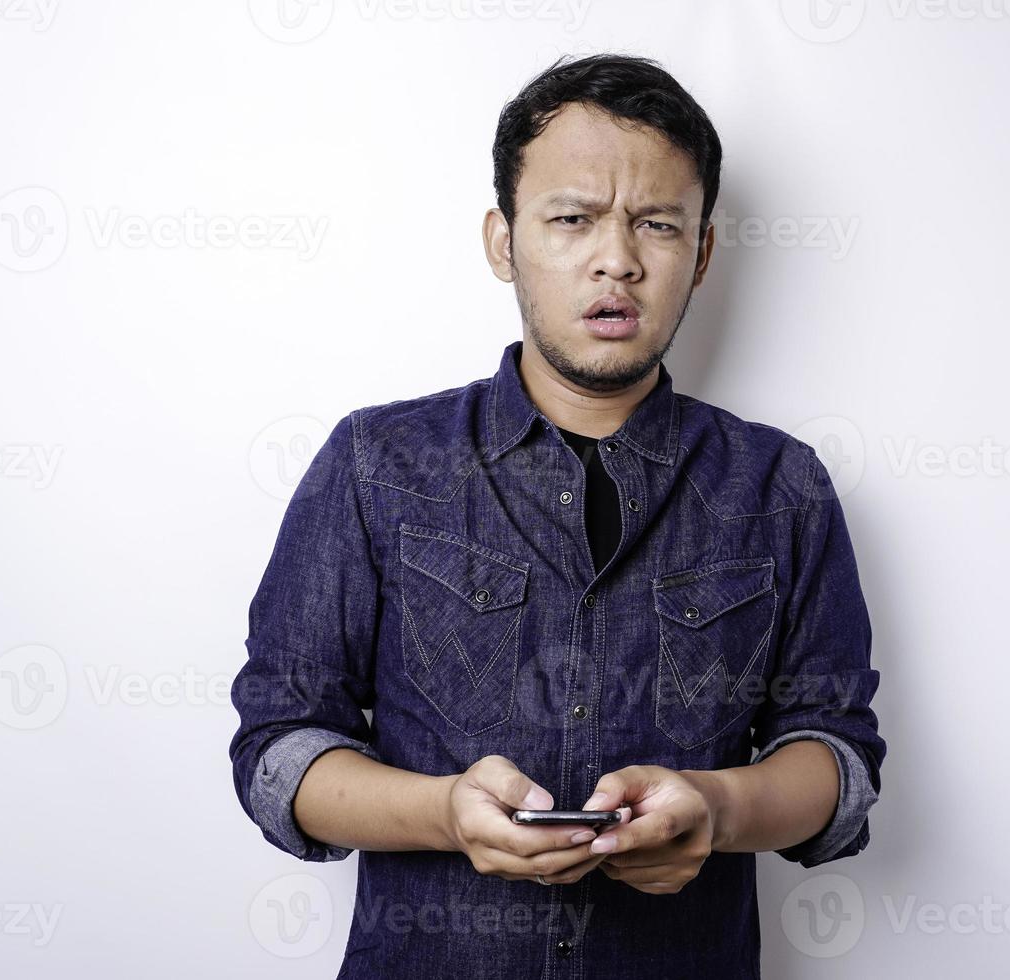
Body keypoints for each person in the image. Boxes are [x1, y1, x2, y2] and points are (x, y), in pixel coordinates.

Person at [228, 52, 886, 978]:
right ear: (503, 241)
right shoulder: (376, 464)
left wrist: (718, 807)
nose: (616, 259)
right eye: (572, 219)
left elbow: (838, 758)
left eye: (656, 224)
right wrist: (442, 812)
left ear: (700, 253)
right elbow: (277, 749)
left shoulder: (782, 486)